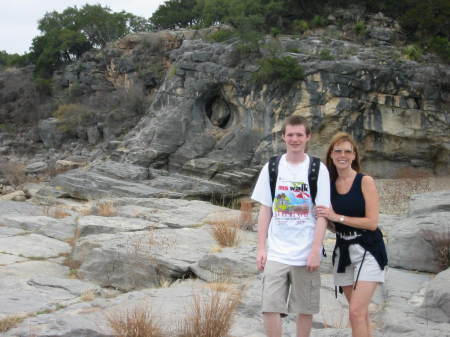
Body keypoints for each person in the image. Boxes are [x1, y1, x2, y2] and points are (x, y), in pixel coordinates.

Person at [251, 115, 330, 337]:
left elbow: (322, 214)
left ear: (308, 137)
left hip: (306, 253)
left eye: (299, 135)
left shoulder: (318, 169)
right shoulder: (272, 167)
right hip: (276, 252)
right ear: (283, 137)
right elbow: (266, 209)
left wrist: (315, 249)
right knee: (270, 307)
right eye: (290, 135)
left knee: (304, 309)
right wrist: (261, 247)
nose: (295, 139)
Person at [315, 132, 388, 337]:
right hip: (343, 252)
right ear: (331, 154)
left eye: (348, 151)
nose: (343, 155)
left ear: (354, 156)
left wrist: (337, 217)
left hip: (369, 250)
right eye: (338, 150)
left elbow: (372, 223)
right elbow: (335, 225)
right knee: (360, 314)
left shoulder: (365, 181)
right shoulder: (328, 185)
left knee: (355, 312)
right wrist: (325, 219)